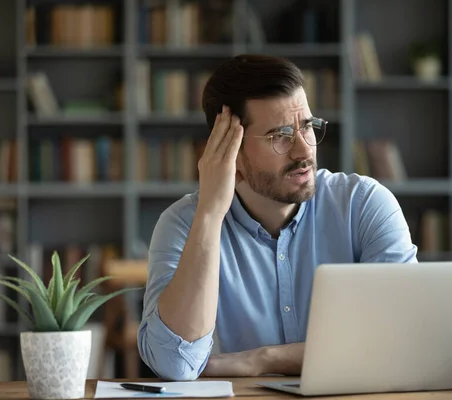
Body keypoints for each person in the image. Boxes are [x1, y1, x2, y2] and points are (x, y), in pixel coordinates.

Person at [137, 54, 418, 381]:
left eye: (308, 127)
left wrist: (263, 360)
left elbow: (403, 341)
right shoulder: (184, 223)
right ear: (230, 148)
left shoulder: (364, 204)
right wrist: (211, 214)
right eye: (280, 135)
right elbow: (175, 364)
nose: (304, 151)